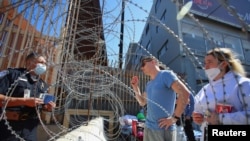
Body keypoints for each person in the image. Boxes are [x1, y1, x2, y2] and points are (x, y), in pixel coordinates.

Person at [192, 47, 250, 141]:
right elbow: (198, 111)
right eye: (205, 63)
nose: (205, 67)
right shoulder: (205, 89)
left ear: (223, 64)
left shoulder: (243, 84)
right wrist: (198, 117)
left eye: (209, 62)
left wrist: (221, 118)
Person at [130, 56, 190, 141]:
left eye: (143, 64)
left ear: (153, 62)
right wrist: (135, 87)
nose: (141, 67)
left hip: (163, 130)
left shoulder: (165, 75)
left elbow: (184, 93)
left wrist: (174, 118)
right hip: (149, 128)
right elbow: (142, 102)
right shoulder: (149, 84)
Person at [0, 52, 56, 141]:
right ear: (30, 62)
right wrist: (24, 101)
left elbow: (41, 105)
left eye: (45, 63)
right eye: (41, 62)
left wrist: (47, 107)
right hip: (8, 127)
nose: (44, 65)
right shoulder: (13, 75)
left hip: (30, 129)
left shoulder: (42, 85)